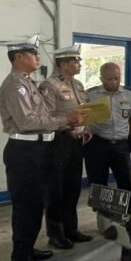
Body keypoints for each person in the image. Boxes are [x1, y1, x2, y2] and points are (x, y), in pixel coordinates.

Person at [0, 37, 85, 261]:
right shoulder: (16, 86)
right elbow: (27, 122)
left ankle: (27, 250)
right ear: (18, 58)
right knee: (26, 207)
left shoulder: (27, 82)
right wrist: (65, 120)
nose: (37, 58)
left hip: (38, 150)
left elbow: (42, 115)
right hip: (25, 152)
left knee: (36, 205)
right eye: (32, 54)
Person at [38, 44, 93, 250]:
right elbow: (46, 116)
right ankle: (55, 233)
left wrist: (86, 127)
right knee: (56, 189)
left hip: (76, 141)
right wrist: (67, 124)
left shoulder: (77, 85)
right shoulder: (49, 86)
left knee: (72, 187)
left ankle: (71, 229)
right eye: (75, 61)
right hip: (57, 142)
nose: (79, 64)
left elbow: (83, 111)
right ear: (63, 63)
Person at [84, 63, 131, 190]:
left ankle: (128, 209)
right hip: (97, 144)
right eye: (110, 79)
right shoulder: (91, 95)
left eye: (117, 78)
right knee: (98, 183)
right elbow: (84, 119)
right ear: (101, 79)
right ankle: (100, 210)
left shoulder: (128, 94)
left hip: (121, 145)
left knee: (126, 182)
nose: (114, 82)